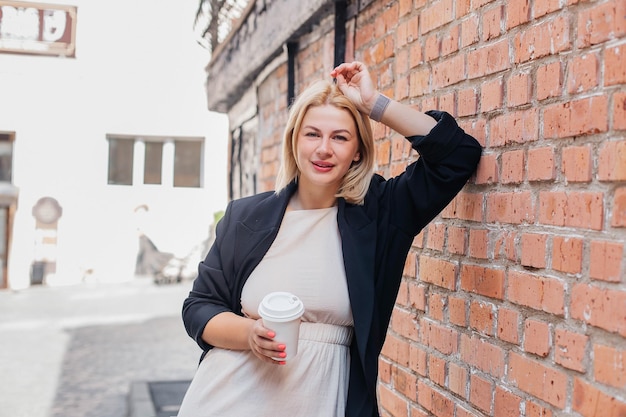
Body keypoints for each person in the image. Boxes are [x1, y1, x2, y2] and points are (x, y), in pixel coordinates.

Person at [177, 61, 482, 417]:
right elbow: (199, 307)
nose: (324, 149)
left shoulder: (381, 213)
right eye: (312, 134)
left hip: (324, 401)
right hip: (227, 400)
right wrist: (248, 334)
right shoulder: (245, 217)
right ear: (294, 140)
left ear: (357, 150)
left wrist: (375, 105)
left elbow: (457, 156)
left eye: (339, 137)